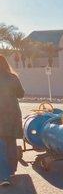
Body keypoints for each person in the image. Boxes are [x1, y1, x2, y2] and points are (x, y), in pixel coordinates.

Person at [0, 55, 25, 186]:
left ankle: (3, 176)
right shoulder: (13, 77)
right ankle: (10, 171)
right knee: (11, 142)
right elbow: (21, 94)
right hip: (13, 114)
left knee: (1, 145)